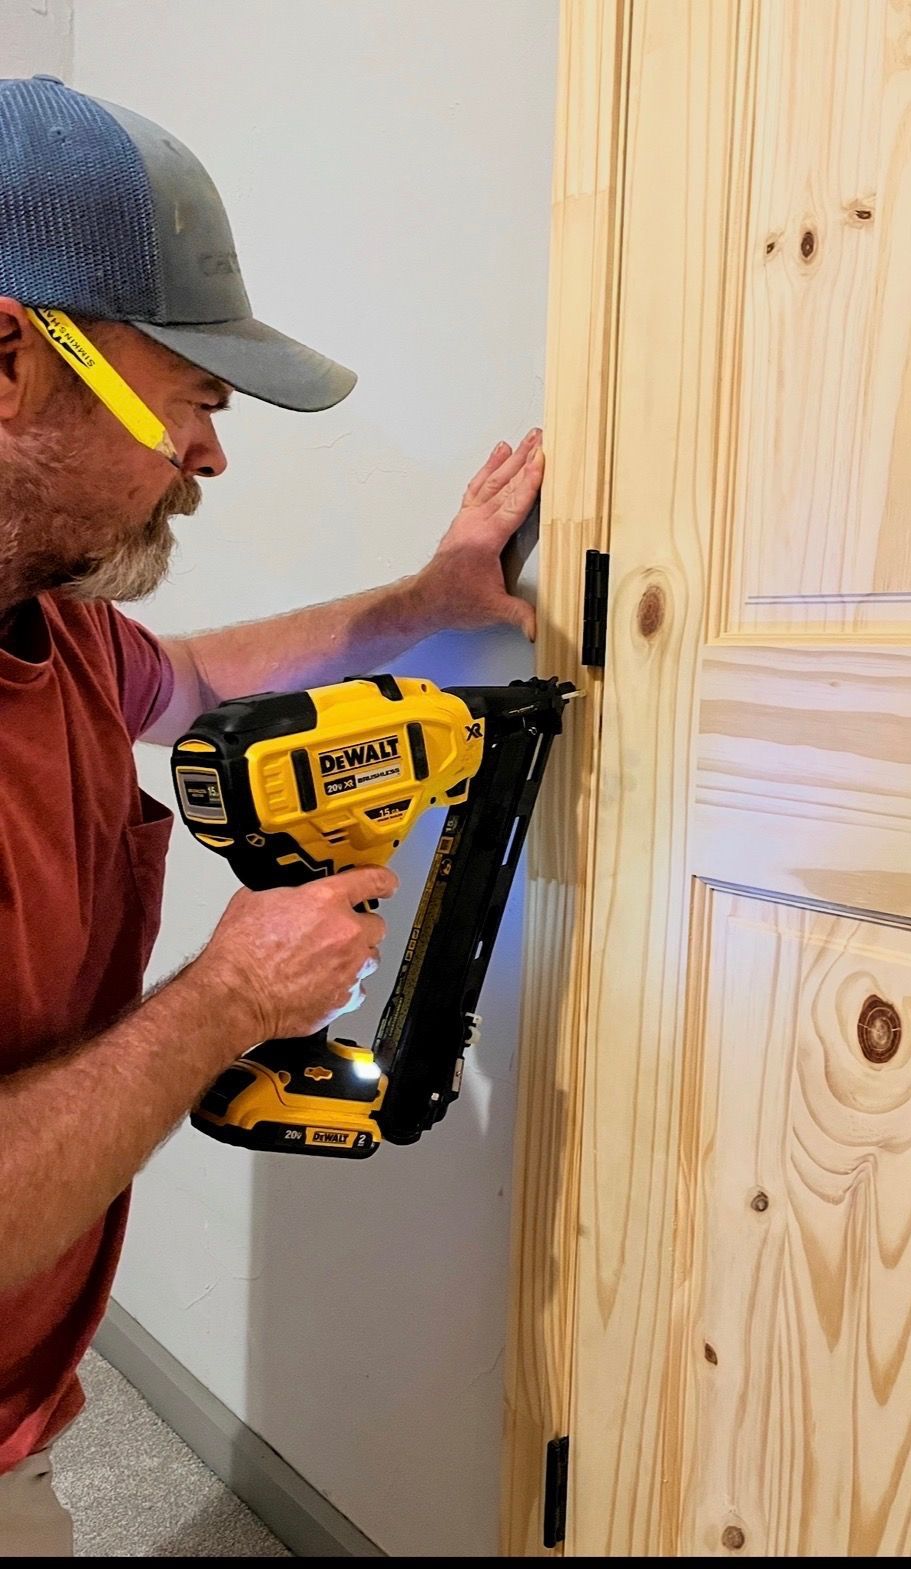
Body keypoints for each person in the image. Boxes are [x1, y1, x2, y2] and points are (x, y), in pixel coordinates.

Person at [0, 75, 543, 1554]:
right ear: (10, 363)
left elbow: (180, 679)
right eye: (193, 400)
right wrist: (229, 995)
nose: (213, 456)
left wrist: (423, 605)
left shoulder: (44, 625)